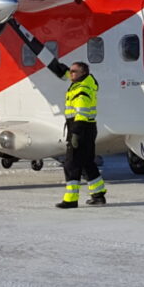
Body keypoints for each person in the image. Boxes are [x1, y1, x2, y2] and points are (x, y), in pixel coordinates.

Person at [56, 61, 107, 208]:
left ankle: (71, 199)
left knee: (71, 164)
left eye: (74, 71)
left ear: (82, 73)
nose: (71, 73)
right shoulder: (85, 81)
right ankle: (98, 195)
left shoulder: (82, 89)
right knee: (87, 162)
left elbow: (81, 114)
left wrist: (75, 134)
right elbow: (66, 73)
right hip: (89, 128)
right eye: (70, 71)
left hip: (80, 128)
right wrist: (57, 66)